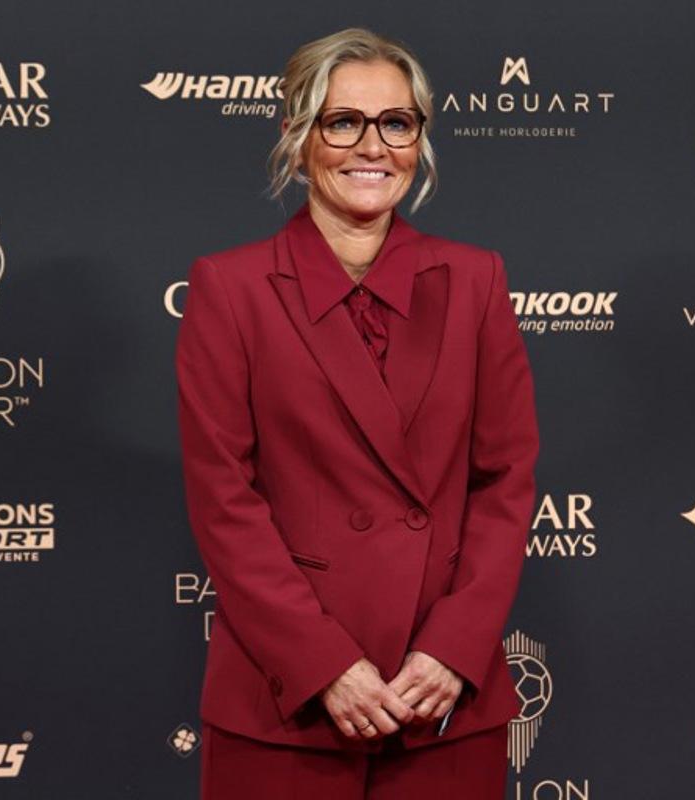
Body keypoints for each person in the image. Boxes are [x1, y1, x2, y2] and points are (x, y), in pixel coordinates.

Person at [175, 26, 541, 799]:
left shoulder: (476, 281)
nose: (373, 147)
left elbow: (505, 481)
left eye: (396, 123)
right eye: (343, 122)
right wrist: (322, 663)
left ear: (419, 139)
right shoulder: (230, 289)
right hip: (287, 702)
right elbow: (224, 499)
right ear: (297, 137)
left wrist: (452, 648)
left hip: (438, 700)